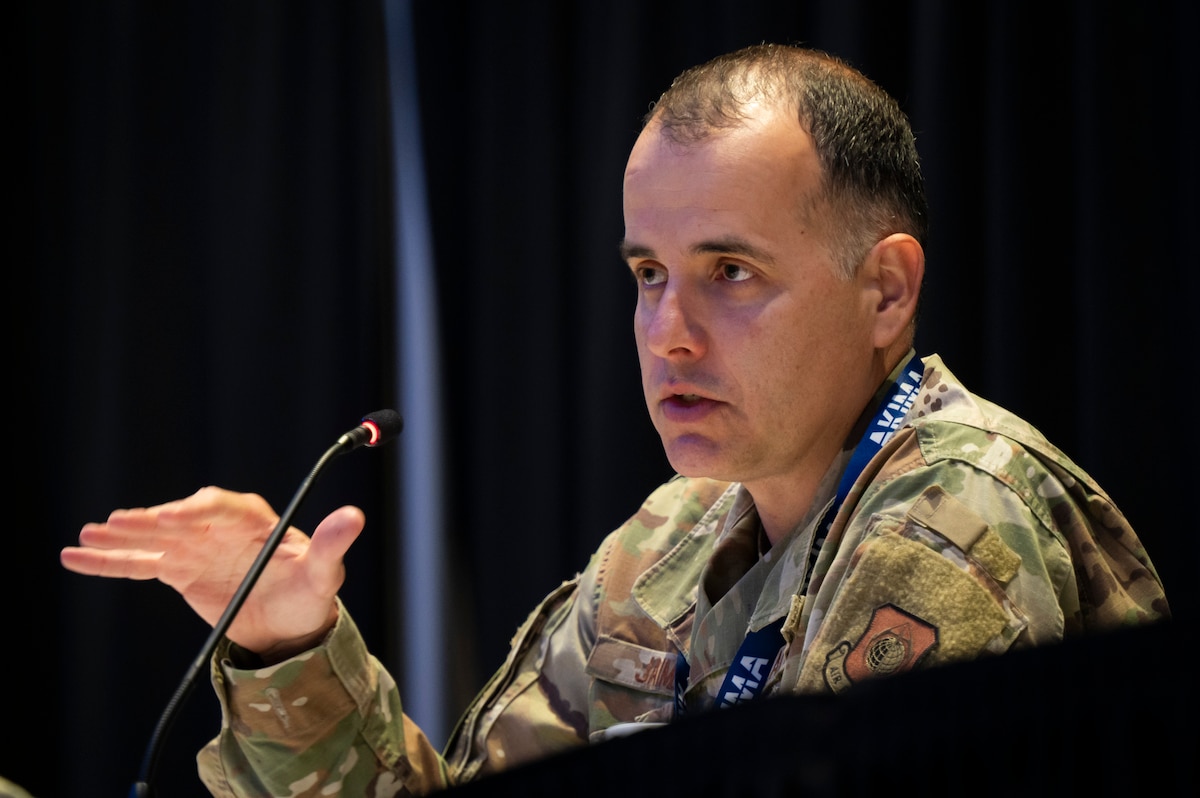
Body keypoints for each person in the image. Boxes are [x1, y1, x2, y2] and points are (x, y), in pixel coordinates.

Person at [61, 44, 1169, 796]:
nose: (668, 332)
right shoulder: (669, 539)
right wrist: (285, 642)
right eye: (648, 274)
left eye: (730, 272)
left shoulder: (955, 507)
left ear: (885, 291)